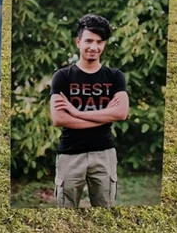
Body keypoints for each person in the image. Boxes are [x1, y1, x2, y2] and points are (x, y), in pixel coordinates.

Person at [49, 14, 129, 208]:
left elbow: (121, 113)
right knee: (65, 213)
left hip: (104, 153)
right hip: (70, 153)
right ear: (78, 42)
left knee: (105, 212)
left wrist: (76, 113)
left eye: (100, 42)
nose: (94, 47)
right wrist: (105, 115)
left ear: (105, 45)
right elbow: (59, 118)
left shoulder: (115, 76)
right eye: (89, 41)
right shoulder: (63, 76)